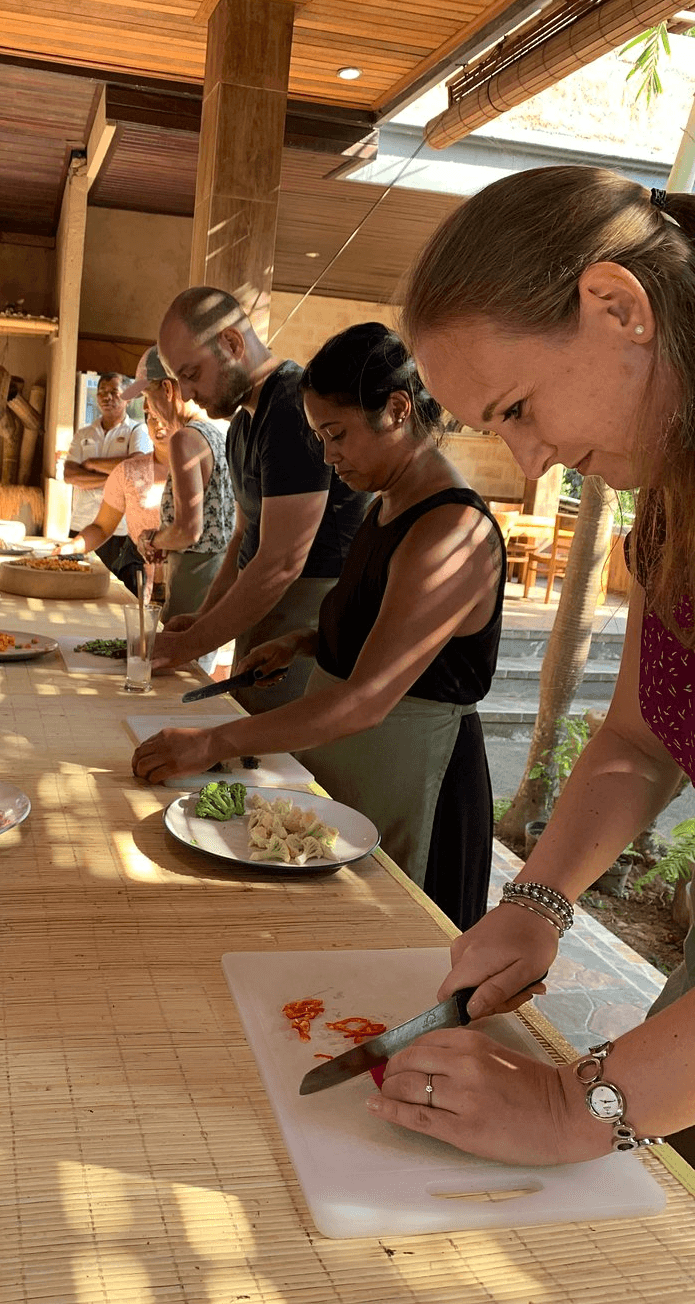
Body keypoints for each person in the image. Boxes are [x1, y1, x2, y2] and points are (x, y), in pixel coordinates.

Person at [358, 165, 695, 1168]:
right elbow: (641, 737)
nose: (529, 461)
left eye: (516, 407)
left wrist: (567, 1105)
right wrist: (535, 904)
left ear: (616, 307)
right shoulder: (669, 498)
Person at [133, 324, 504, 929]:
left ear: (396, 410)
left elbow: (365, 700)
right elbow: (381, 627)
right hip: (351, 761)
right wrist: (305, 640)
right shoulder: (388, 501)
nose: (330, 457)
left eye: (337, 435)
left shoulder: (450, 530)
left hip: (412, 772)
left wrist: (212, 741)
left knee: (384, 942)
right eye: (319, 438)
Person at [154, 288, 371, 712]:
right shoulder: (240, 427)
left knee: (272, 764)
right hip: (264, 618)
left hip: (307, 616)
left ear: (232, 344)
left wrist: (189, 645)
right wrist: (203, 616)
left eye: (191, 373)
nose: (184, 393)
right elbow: (243, 538)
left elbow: (281, 562)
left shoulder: (292, 406)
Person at [123, 345, 236, 624]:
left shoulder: (184, 439)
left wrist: (151, 540)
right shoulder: (218, 431)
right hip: (220, 572)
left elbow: (188, 530)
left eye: (149, 397)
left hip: (192, 575)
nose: (150, 409)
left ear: (168, 389)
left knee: (178, 660)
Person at [64, 372, 153, 585]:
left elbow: (136, 466)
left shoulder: (137, 431)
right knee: (76, 586)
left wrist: (92, 464)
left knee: (120, 593)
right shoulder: (84, 433)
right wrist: (116, 480)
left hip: (121, 531)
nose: (107, 397)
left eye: (114, 392)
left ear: (128, 397)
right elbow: (69, 475)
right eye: (102, 392)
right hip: (82, 525)